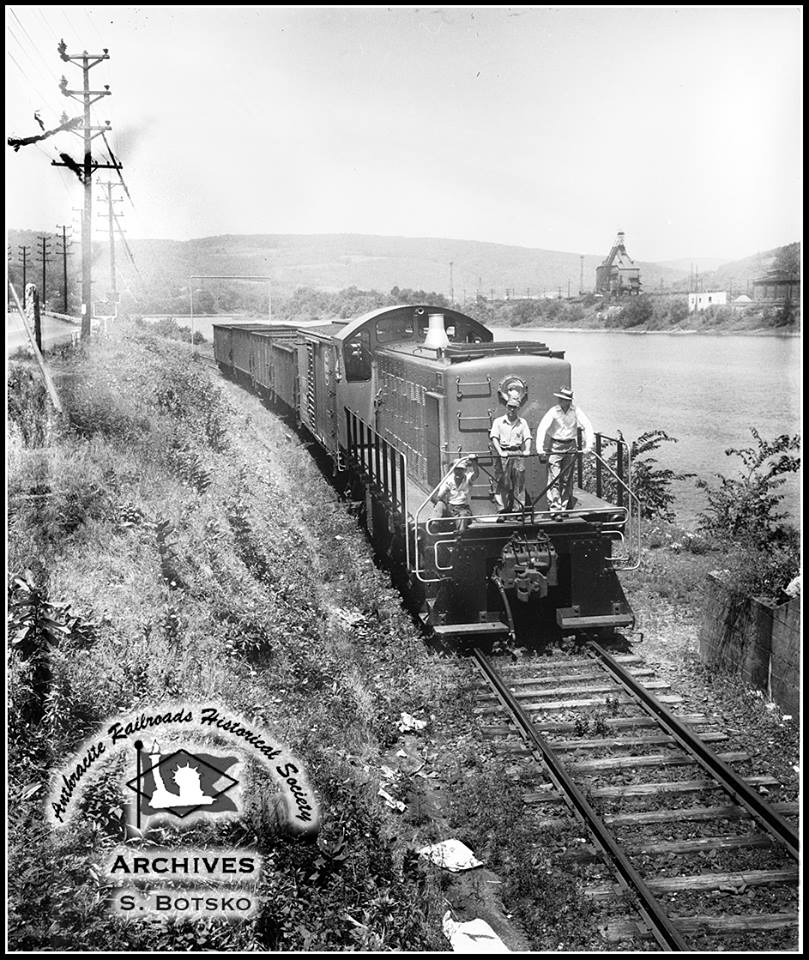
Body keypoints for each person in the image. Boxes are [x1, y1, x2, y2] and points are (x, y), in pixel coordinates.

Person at [536, 387, 595, 516]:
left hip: (571, 446)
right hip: (556, 446)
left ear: (569, 401)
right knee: (554, 477)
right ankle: (554, 508)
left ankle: (563, 508)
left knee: (567, 478)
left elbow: (587, 426)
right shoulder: (553, 411)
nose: (562, 401)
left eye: (565, 399)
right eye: (561, 399)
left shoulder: (576, 411)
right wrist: (540, 449)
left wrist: (588, 445)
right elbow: (542, 428)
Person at [489, 399, 532, 515]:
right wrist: (500, 452)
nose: (511, 409)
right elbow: (494, 437)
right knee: (501, 482)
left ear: (518, 409)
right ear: (506, 407)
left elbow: (527, 437)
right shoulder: (498, 422)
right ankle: (502, 511)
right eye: (509, 407)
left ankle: (518, 511)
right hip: (503, 454)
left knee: (519, 483)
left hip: (517, 453)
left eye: (514, 407)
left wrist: (527, 449)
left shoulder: (522, 422)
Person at [431, 456, 479, 532]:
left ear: (464, 470)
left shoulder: (468, 478)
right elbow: (439, 496)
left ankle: (460, 534)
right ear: (453, 470)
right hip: (451, 508)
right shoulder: (448, 480)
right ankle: (434, 524)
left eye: (461, 470)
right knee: (440, 504)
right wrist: (440, 498)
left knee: (463, 515)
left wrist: (474, 462)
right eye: (456, 469)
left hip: (463, 508)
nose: (458, 472)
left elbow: (476, 474)